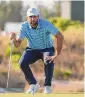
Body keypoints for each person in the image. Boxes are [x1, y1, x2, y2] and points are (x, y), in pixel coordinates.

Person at [10, 7, 64, 94]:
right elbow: (17, 44)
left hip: (47, 48)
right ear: (27, 18)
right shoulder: (24, 26)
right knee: (22, 63)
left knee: (49, 60)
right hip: (31, 49)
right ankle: (33, 85)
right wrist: (14, 39)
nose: (33, 19)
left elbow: (60, 36)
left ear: (38, 17)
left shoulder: (46, 24)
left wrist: (57, 54)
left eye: (35, 16)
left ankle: (47, 87)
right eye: (30, 17)